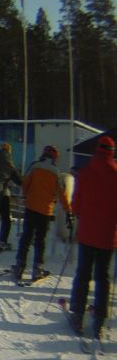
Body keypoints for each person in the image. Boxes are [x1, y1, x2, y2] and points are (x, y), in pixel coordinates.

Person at [68, 135, 117, 339]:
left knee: (83, 273)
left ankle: (78, 313)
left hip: (87, 232)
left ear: (96, 150)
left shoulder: (85, 173)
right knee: (103, 277)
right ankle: (99, 320)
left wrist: (82, 215)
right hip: (108, 235)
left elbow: (75, 204)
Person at [13, 145, 71, 282]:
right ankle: (37, 268)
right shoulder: (56, 172)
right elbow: (62, 194)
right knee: (40, 240)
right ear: (55, 158)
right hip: (45, 210)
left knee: (26, 238)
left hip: (31, 207)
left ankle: (20, 266)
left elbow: (25, 183)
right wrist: (68, 211)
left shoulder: (35, 166)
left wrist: (26, 196)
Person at [0, 141, 22, 251]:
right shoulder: (9, 162)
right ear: (9, 151)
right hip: (2, 193)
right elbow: (19, 180)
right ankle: (2, 242)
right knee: (5, 219)